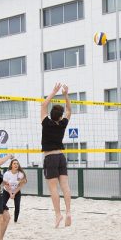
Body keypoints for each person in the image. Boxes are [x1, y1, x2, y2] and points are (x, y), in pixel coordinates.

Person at [41, 82, 73, 228]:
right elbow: (69, 111)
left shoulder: (46, 123)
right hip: (61, 156)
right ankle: (68, 212)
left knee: (53, 189)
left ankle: (58, 214)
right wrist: (65, 94)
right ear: (60, 117)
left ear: (51, 115)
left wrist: (53, 91)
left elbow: (43, 105)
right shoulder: (62, 124)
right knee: (65, 186)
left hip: (50, 157)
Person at [3, 158, 27, 223]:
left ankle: (15, 220)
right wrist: (10, 193)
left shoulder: (21, 174)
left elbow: (20, 186)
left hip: (16, 191)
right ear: (11, 165)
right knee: (2, 204)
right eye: (14, 163)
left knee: (17, 206)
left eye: (17, 163)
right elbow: (5, 185)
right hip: (7, 191)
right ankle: (2, 218)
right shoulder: (7, 173)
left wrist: (14, 193)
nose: (16, 165)